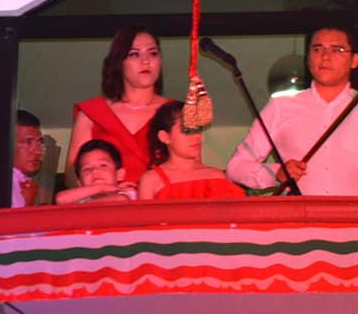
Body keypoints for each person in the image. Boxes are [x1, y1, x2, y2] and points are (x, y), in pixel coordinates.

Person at [226, 26, 358, 195]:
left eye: (336, 49)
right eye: (317, 49)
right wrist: (276, 173)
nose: (325, 56)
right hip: (299, 222)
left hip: (356, 223)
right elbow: (236, 167)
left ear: (354, 60)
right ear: (308, 58)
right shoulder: (281, 107)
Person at [66, 25, 173, 188]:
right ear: (119, 62)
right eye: (134, 54)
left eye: (153, 53)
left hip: (161, 208)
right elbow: (72, 177)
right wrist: (107, 191)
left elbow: (192, 174)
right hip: (105, 208)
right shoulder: (92, 113)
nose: (145, 61)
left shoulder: (177, 113)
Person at [138, 101, 245, 199]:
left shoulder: (216, 176)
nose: (196, 136)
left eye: (198, 129)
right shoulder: (151, 180)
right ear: (164, 137)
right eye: (186, 130)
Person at [56, 139, 136, 204]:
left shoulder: (126, 193)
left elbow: (120, 200)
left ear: (119, 174)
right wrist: (101, 188)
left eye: (103, 165)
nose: (95, 171)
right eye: (87, 169)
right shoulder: (80, 200)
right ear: (80, 183)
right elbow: (60, 199)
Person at [13, 109, 44, 208]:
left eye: (40, 142)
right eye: (28, 142)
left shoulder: (25, 183)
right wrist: (28, 203)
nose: (38, 151)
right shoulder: (3, 183)